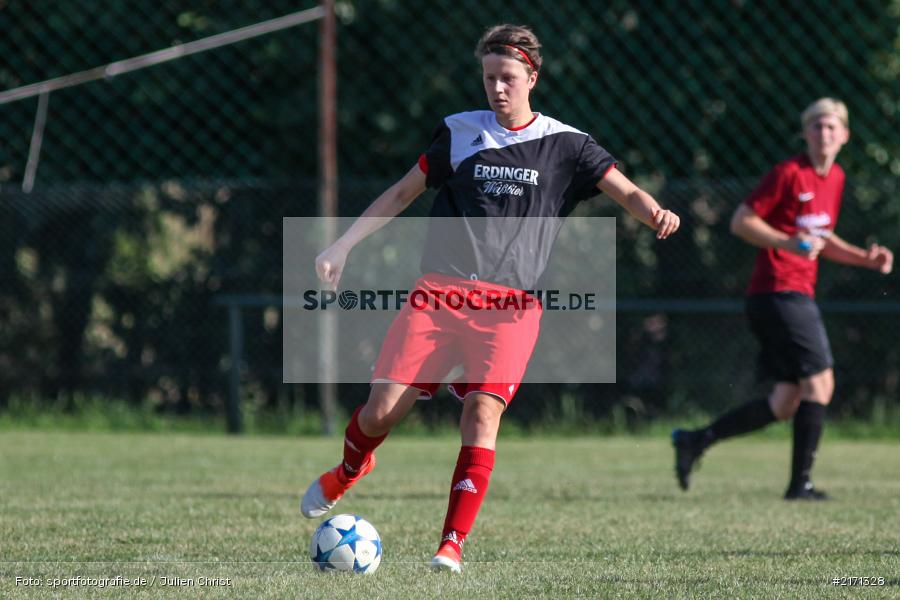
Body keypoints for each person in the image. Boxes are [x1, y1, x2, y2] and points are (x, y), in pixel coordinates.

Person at [301, 23, 680, 573]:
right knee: (381, 410)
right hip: (439, 296)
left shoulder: (567, 144)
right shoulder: (458, 132)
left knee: (481, 416)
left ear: (532, 77)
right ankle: (350, 469)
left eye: (507, 78)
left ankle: (450, 544)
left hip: (510, 309)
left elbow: (624, 188)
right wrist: (344, 244)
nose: (497, 88)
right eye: (488, 78)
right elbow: (403, 191)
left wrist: (654, 212)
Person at [672, 98, 893, 500]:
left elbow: (820, 238)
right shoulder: (788, 174)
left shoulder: (836, 178)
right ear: (805, 134)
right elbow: (742, 221)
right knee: (821, 383)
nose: (824, 134)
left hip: (793, 293)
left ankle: (695, 440)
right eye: (816, 127)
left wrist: (864, 258)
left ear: (844, 135)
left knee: (786, 401)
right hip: (778, 291)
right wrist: (786, 242)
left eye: (831, 127)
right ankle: (800, 485)